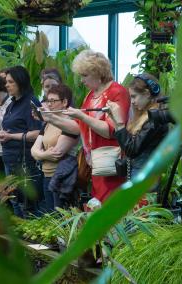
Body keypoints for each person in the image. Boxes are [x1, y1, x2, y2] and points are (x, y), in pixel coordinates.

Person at [42, 50, 130, 203]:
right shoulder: (91, 95)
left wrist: (82, 116)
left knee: (110, 202)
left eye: (84, 75)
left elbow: (111, 130)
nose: (82, 80)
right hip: (95, 162)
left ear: (97, 72)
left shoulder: (117, 92)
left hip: (111, 160)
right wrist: (50, 117)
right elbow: (78, 128)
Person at [0, 65, 43, 218]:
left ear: (20, 82)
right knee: (14, 199)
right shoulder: (12, 104)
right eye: (6, 82)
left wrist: (11, 136)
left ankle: (29, 239)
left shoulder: (31, 103)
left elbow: (38, 132)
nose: (6, 85)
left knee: (27, 203)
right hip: (10, 159)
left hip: (24, 161)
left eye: (10, 82)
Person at [107, 74, 168, 178]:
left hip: (145, 176)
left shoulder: (155, 119)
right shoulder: (144, 116)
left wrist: (120, 124)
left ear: (147, 94)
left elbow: (132, 150)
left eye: (134, 96)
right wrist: (115, 121)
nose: (132, 101)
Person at [31, 84, 79, 211]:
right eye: (48, 100)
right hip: (46, 175)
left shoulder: (70, 123)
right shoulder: (48, 123)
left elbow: (57, 153)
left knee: (60, 217)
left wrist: (40, 155)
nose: (49, 104)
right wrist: (43, 155)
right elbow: (33, 150)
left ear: (64, 102)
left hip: (62, 178)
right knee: (50, 215)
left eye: (53, 101)